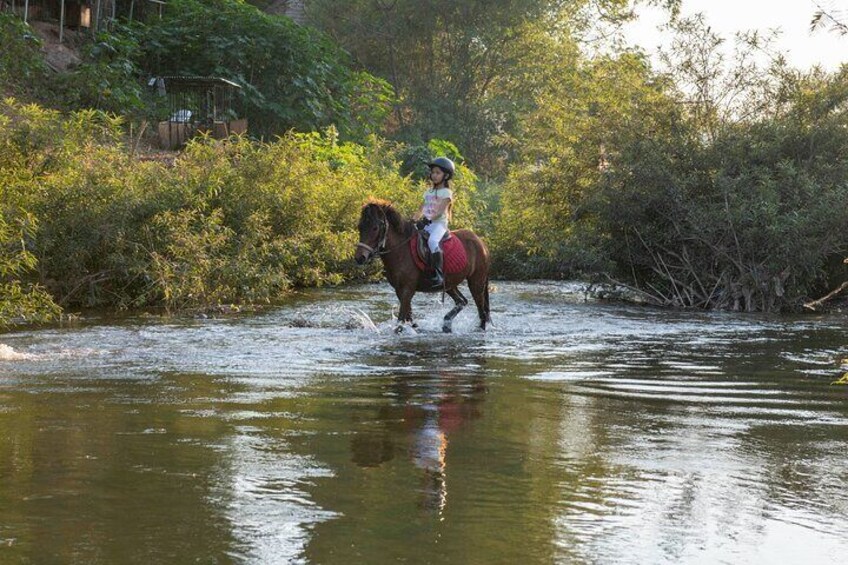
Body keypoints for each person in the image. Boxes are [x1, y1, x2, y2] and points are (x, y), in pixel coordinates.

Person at [414, 157, 455, 286]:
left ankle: (439, 274)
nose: (434, 175)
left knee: (432, 241)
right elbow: (421, 209)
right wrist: (414, 219)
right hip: (427, 223)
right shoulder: (428, 192)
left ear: (446, 175)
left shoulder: (447, 193)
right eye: (433, 172)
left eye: (438, 173)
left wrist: (427, 220)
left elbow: (440, 212)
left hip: (439, 224)